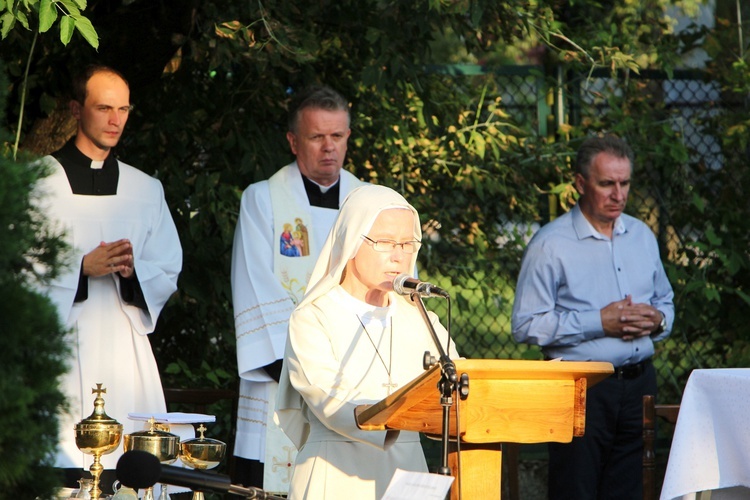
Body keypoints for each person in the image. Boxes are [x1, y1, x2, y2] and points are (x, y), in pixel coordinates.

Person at [35, 65, 182, 492]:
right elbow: (15, 269)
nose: (116, 120)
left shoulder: (145, 188)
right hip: (62, 343)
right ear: (77, 109)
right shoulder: (37, 182)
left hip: (124, 346)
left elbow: (168, 267)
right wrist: (80, 269)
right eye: (104, 108)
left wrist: (135, 273)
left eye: (123, 109)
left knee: (128, 477)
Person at [511, 134, 674, 499]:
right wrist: (598, 322)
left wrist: (658, 321)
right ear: (581, 184)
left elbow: (666, 301)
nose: (619, 194)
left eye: (625, 183)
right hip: (580, 388)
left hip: (640, 385)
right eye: (607, 184)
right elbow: (525, 324)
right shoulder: (550, 244)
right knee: (576, 489)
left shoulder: (642, 236)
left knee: (631, 490)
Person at [275, 184, 460, 499]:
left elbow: (460, 379)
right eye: (386, 242)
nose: (399, 256)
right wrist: (395, 414)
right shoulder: (313, 315)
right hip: (336, 474)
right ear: (351, 241)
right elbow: (328, 400)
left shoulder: (418, 316)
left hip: (409, 473)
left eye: (407, 243)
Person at [231, 85, 366, 490]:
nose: (329, 148)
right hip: (281, 376)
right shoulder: (263, 200)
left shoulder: (368, 204)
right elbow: (254, 281)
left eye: (337, 136)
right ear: (293, 141)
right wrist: (298, 366)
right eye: (317, 136)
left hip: (351, 376)